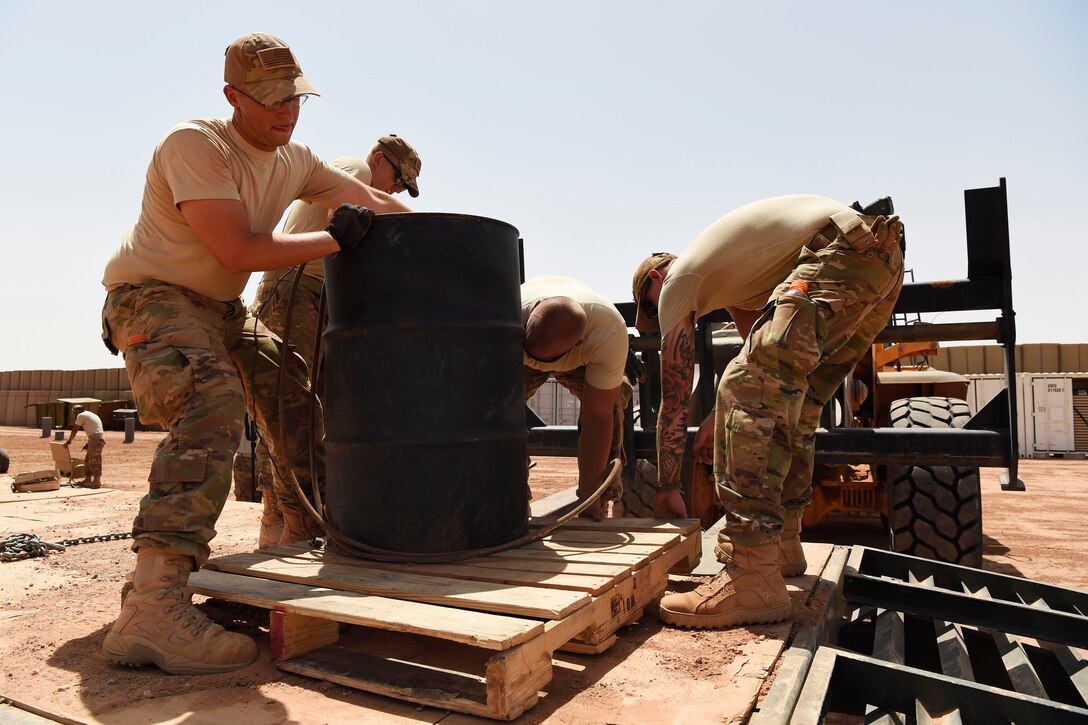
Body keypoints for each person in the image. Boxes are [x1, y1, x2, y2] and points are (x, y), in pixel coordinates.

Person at [98, 32, 412, 675]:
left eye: (294, 97)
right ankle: (153, 606)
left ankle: (296, 542)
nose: (285, 111)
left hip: (219, 308)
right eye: (268, 99)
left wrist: (447, 242)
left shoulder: (294, 158)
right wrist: (333, 239)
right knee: (211, 403)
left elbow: (373, 202)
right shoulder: (197, 144)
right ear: (232, 96)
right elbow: (238, 251)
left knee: (292, 391)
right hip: (152, 296)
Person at [632, 194, 904, 629]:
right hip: (879, 258)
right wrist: (718, 415)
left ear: (659, 275)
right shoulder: (746, 279)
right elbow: (771, 383)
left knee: (743, 386)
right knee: (799, 401)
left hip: (840, 254)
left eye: (650, 306)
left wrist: (667, 487)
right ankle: (783, 545)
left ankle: (751, 575)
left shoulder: (678, 282)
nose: (658, 315)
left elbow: (676, 402)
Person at [249, 138, 422, 546]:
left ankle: (281, 521)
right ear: (379, 160)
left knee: (303, 413)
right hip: (295, 292)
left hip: (316, 295)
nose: (395, 190)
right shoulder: (354, 169)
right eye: (398, 179)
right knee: (291, 413)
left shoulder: (366, 183)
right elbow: (338, 219)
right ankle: (286, 520)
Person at [522, 275, 631, 520]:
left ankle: (599, 499)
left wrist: (588, 495)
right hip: (515, 349)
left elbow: (598, 416)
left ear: (579, 343)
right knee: (493, 412)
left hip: (584, 355)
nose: (540, 363)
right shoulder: (507, 315)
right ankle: (510, 500)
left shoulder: (607, 333)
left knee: (611, 406)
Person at [64, 406, 105, 488]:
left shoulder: (81, 415)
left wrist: (69, 441)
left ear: (77, 411)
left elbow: (75, 429)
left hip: (95, 439)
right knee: (87, 461)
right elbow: (95, 429)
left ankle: (97, 481)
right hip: (95, 439)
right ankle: (88, 479)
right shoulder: (90, 414)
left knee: (94, 460)